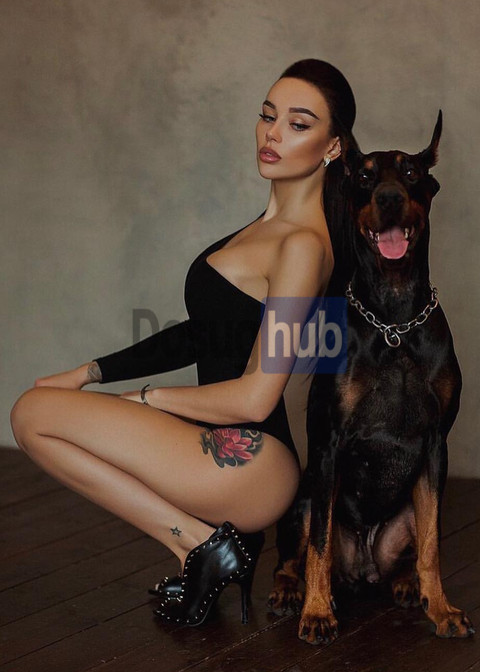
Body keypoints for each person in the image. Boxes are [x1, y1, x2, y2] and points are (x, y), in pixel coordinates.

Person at [10, 59, 356, 627]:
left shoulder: (302, 246)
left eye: (298, 124)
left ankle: (199, 546)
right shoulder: (264, 230)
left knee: (32, 415)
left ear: (334, 145)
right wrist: (90, 372)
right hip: (227, 450)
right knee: (41, 410)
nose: (272, 134)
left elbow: (256, 399)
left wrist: (146, 399)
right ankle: (204, 548)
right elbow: (202, 334)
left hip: (254, 466)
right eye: (267, 116)